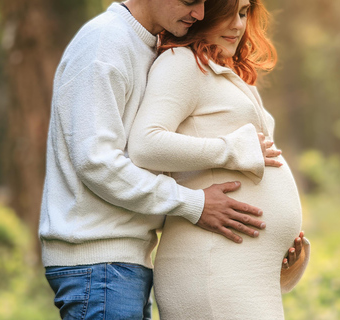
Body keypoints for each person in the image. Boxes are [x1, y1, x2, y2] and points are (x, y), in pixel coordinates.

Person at [39, 0, 305, 319]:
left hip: (127, 261)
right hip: (99, 262)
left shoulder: (151, 49)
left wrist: (269, 246)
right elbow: (97, 161)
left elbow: (167, 161)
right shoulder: (104, 42)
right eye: (190, 0)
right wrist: (194, 203)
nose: (201, 14)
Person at [127, 0, 311, 318]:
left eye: (243, 12)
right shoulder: (180, 63)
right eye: (228, 13)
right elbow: (145, 145)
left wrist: (283, 250)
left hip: (241, 269)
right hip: (212, 267)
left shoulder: (227, 73)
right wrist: (231, 150)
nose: (238, 25)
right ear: (205, 11)